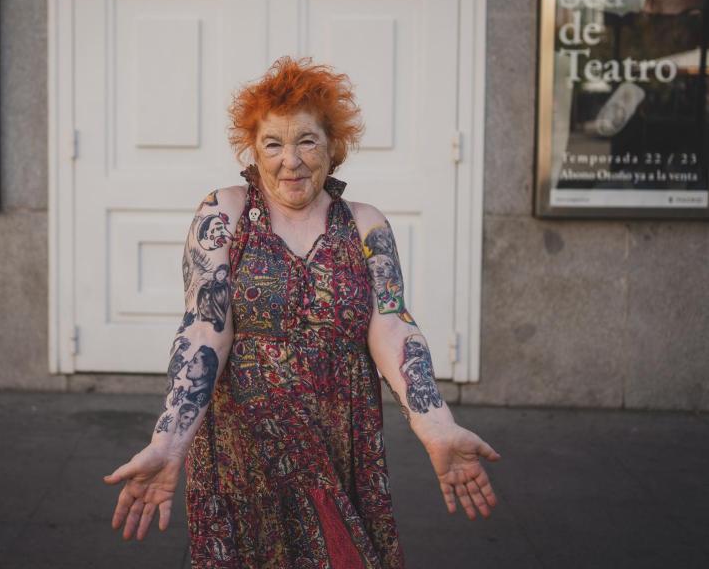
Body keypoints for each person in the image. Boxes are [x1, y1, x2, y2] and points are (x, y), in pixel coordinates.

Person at [103, 56, 501, 568]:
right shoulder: (221, 214)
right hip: (244, 447)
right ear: (254, 150)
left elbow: (393, 326)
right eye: (273, 144)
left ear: (334, 148)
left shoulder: (365, 225)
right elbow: (205, 327)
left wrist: (437, 427)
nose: (290, 160)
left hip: (340, 443)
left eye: (306, 141)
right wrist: (169, 441)